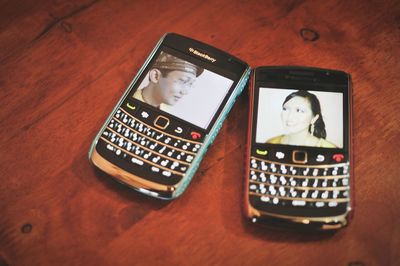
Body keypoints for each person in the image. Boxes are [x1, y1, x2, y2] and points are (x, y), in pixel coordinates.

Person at [133, 51, 204, 111]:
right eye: (182, 81)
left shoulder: (166, 110)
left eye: (190, 84)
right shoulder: (131, 99)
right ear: (155, 76)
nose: (185, 92)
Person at [266, 90, 336, 148]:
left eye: (299, 110)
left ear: (314, 118)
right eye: (285, 109)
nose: (290, 116)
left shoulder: (329, 148)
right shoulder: (271, 143)